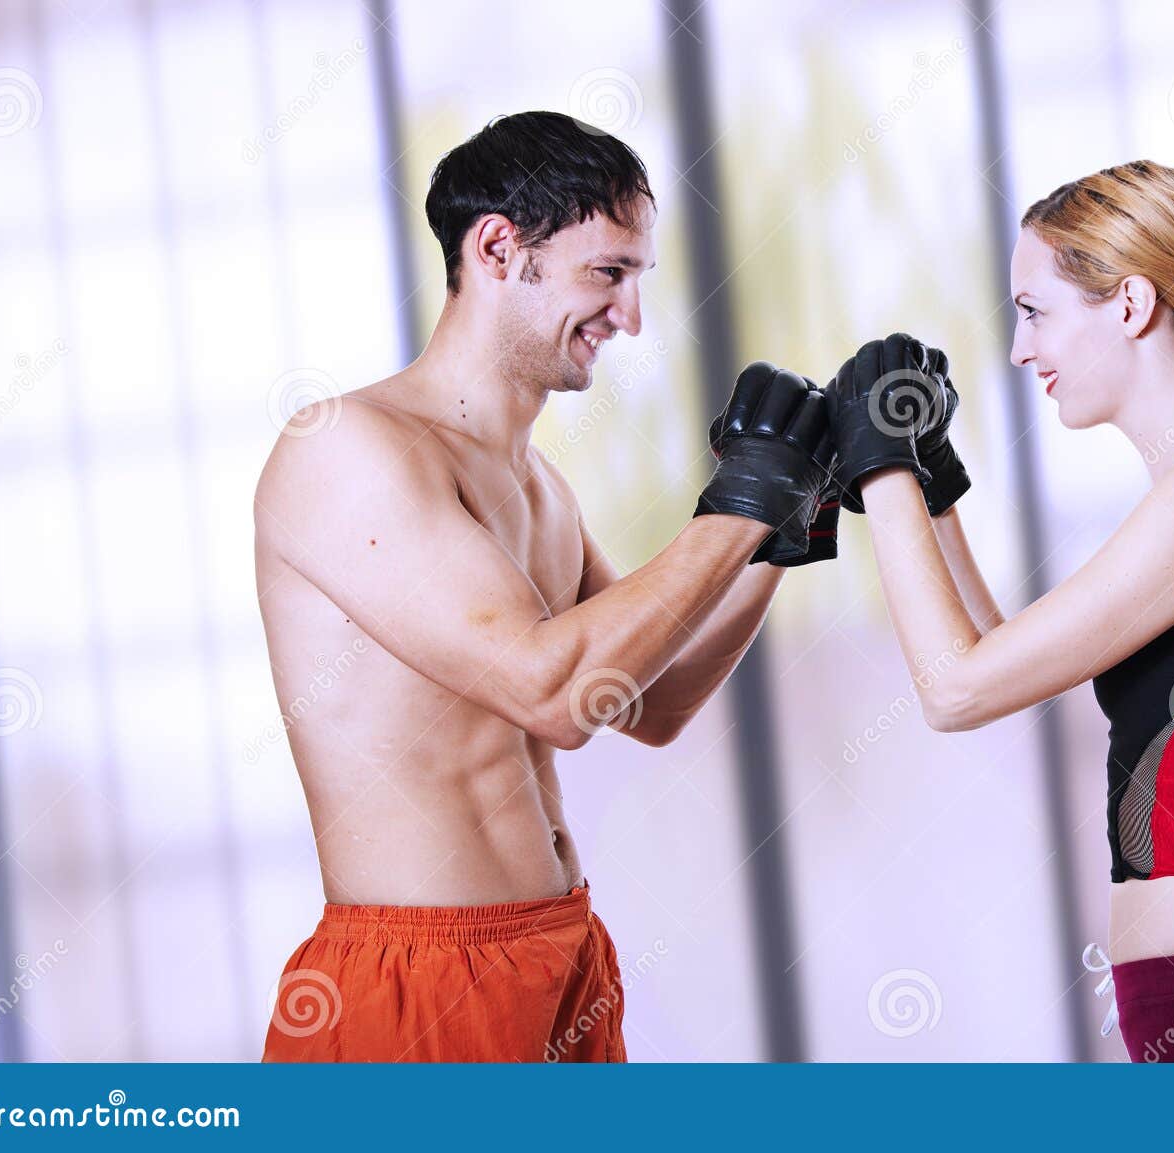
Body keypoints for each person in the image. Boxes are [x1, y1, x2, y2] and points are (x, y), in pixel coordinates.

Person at [254, 111, 834, 1062]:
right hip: (418, 984)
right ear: (497, 248)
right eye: (607, 273)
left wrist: (783, 529)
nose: (632, 317)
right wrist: (740, 502)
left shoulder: (539, 486)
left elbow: (650, 700)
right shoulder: (348, 449)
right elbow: (550, 692)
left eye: (639, 278)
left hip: (560, 955)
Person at [826, 160, 1174, 1062]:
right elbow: (1004, 662)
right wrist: (933, 489)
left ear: (1130, 305)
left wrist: (877, 463)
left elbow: (953, 691)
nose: (1020, 350)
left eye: (1034, 311)